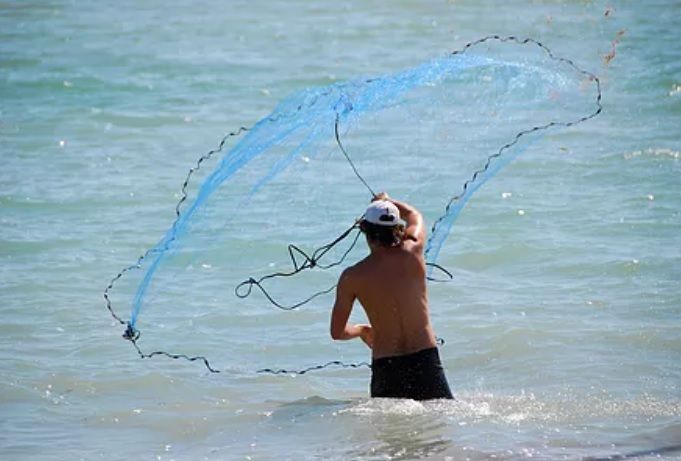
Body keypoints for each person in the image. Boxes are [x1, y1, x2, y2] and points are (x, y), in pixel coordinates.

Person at [330, 192, 453, 400]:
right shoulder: (413, 251)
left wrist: (361, 330)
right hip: (425, 359)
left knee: (391, 430)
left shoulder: (352, 276)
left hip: (387, 366)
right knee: (436, 426)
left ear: (364, 230)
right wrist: (387, 201)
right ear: (398, 229)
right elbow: (413, 214)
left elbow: (337, 332)